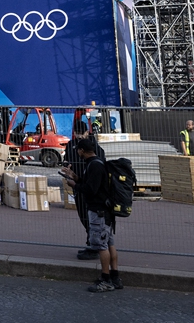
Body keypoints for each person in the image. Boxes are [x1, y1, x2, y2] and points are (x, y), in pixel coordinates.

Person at [73, 138, 121, 292]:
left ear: (81, 150)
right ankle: (115, 277)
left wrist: (75, 185)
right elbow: (92, 184)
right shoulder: (98, 163)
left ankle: (106, 279)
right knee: (109, 244)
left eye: (78, 150)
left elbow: (91, 189)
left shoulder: (94, 166)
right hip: (106, 211)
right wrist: (74, 177)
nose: (77, 152)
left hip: (98, 212)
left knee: (101, 246)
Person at [61, 120, 105, 260]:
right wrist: (68, 168)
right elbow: (67, 158)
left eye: (81, 133)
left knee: (93, 217)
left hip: (89, 186)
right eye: (77, 133)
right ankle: (91, 241)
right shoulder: (71, 145)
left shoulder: (93, 146)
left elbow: (100, 161)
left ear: (87, 132)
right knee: (83, 214)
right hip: (78, 183)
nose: (79, 136)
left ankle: (94, 245)